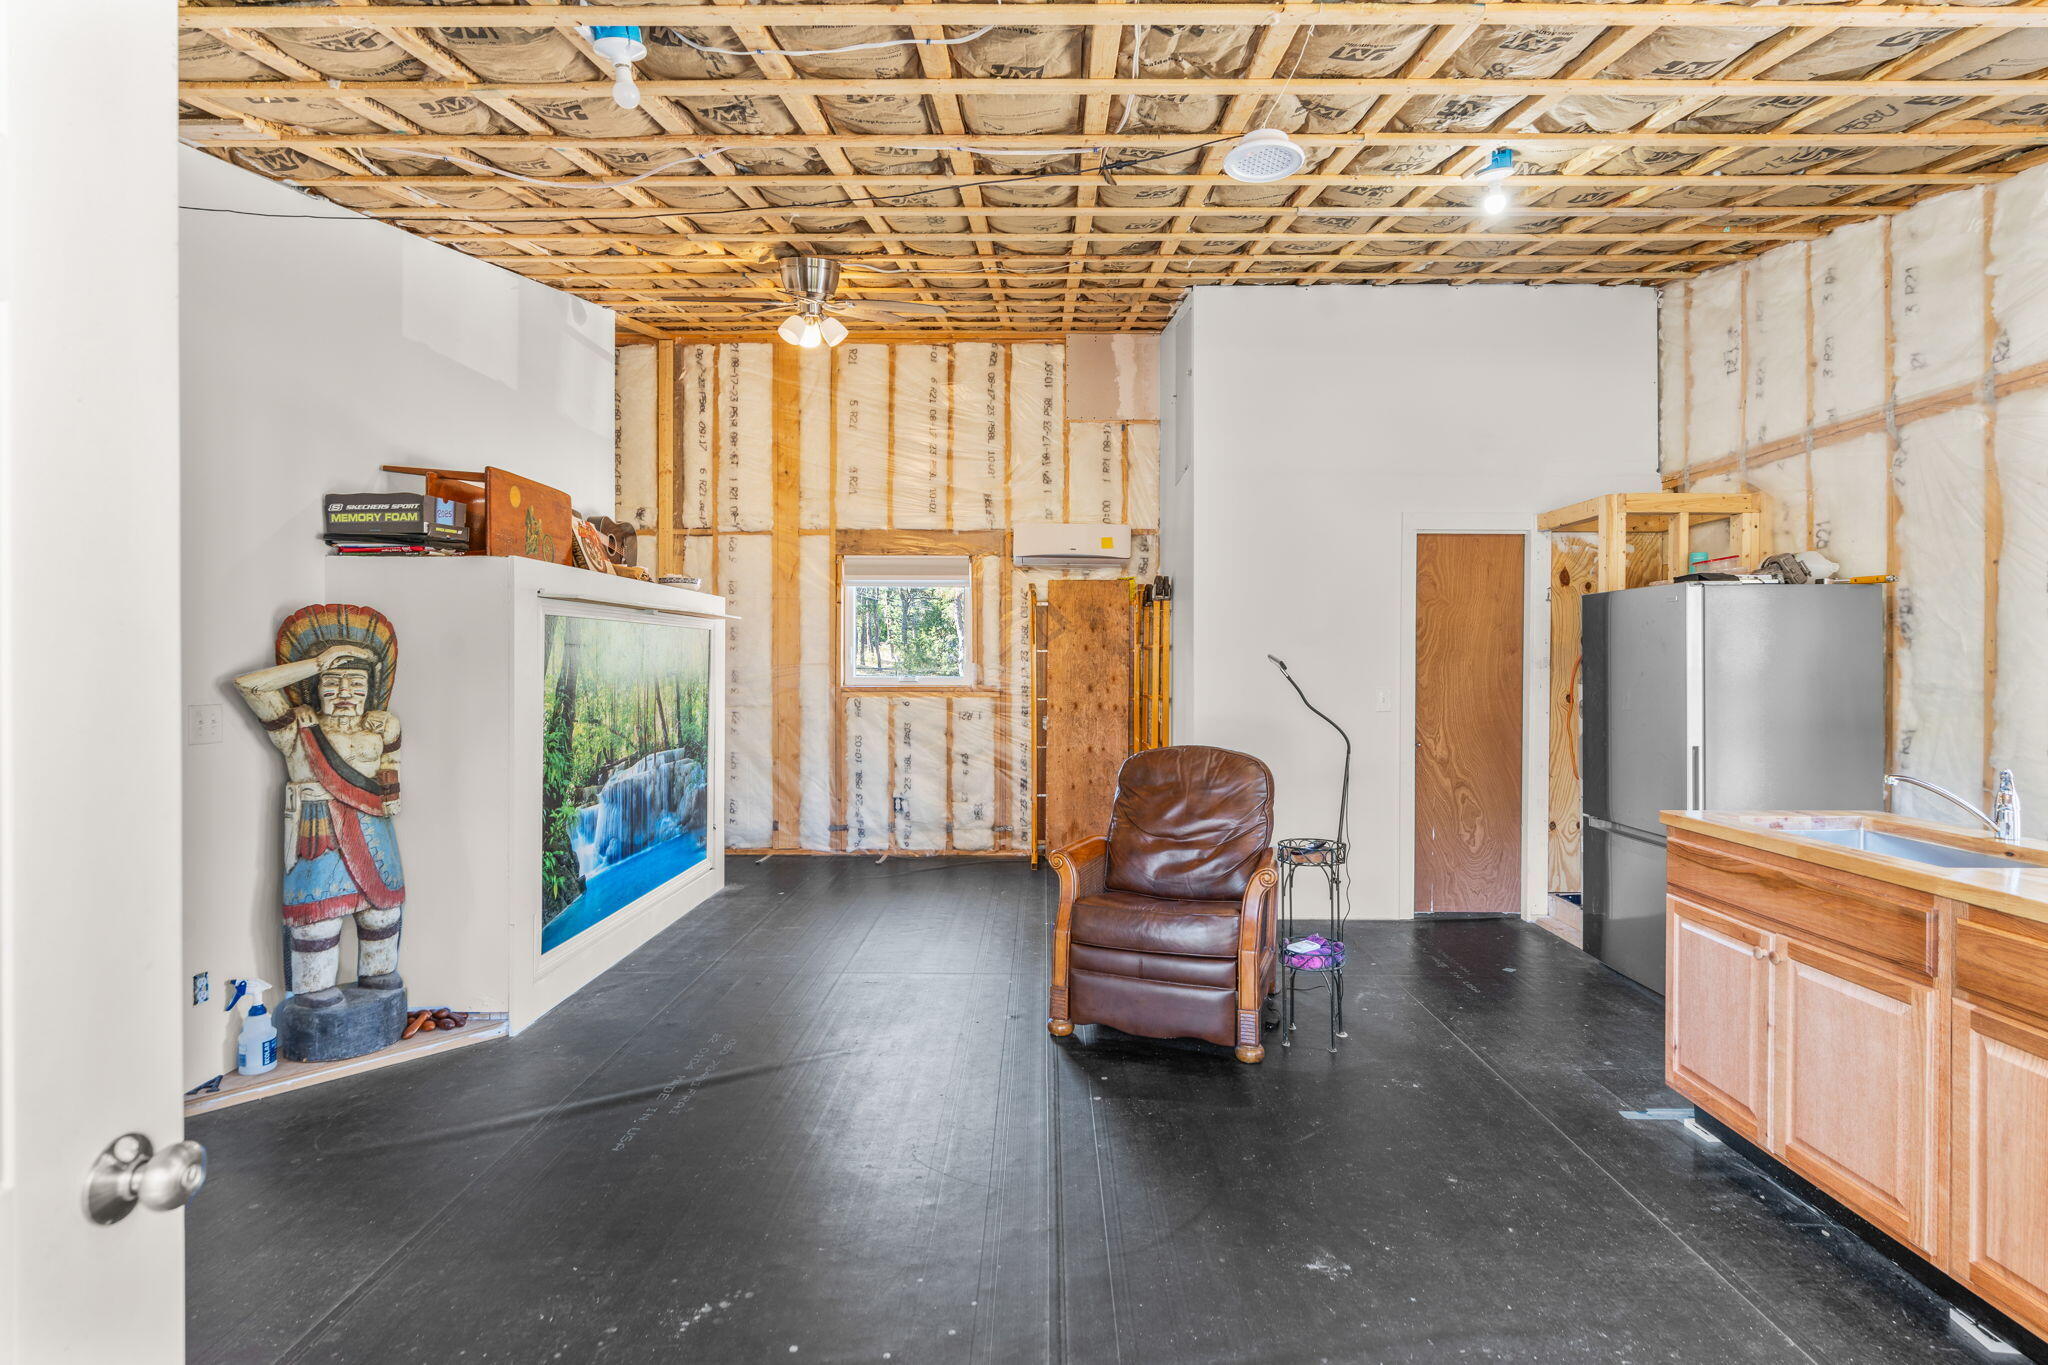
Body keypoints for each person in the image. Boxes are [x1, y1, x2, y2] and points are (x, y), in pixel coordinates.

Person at [234, 615, 404, 1006]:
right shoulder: (298, 728)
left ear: (370, 692)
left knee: (382, 914)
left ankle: (379, 979)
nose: (345, 692)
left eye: (356, 683)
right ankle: (315, 994)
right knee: (318, 920)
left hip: (374, 831)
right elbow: (250, 686)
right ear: (316, 689)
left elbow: (391, 775)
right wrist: (318, 662)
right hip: (319, 827)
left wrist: (390, 742)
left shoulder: (377, 730)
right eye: (333, 682)